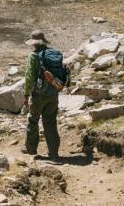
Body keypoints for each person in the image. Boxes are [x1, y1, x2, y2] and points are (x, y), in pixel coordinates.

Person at [22, 30, 70, 162]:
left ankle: (31, 149)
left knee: (33, 119)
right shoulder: (54, 54)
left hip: (39, 94)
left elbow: (29, 77)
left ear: (34, 44)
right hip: (54, 93)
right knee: (50, 122)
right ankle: (54, 153)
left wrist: (26, 96)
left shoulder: (34, 56)